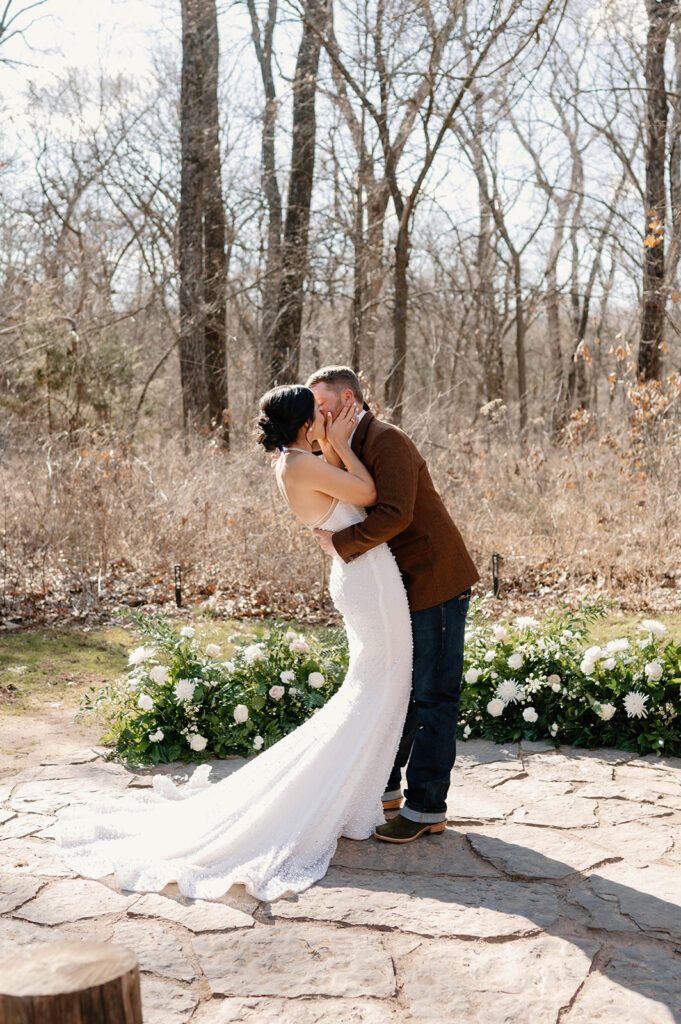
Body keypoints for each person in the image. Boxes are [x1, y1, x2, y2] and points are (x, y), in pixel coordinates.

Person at [56, 384, 414, 901]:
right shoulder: (300, 464)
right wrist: (344, 443)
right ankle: (338, 798)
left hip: (363, 574)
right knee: (378, 686)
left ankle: (355, 795)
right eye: (318, 413)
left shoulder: (297, 461)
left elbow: (349, 489)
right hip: (368, 581)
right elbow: (370, 494)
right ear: (302, 423)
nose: (325, 417)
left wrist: (330, 442)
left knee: (377, 686)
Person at [306, 365, 479, 843]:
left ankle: (427, 807)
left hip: (435, 579)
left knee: (433, 695)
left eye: (321, 405)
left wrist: (340, 545)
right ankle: (384, 786)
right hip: (397, 586)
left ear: (348, 400)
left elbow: (396, 513)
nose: (315, 415)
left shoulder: (385, 440)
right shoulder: (343, 445)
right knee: (398, 687)